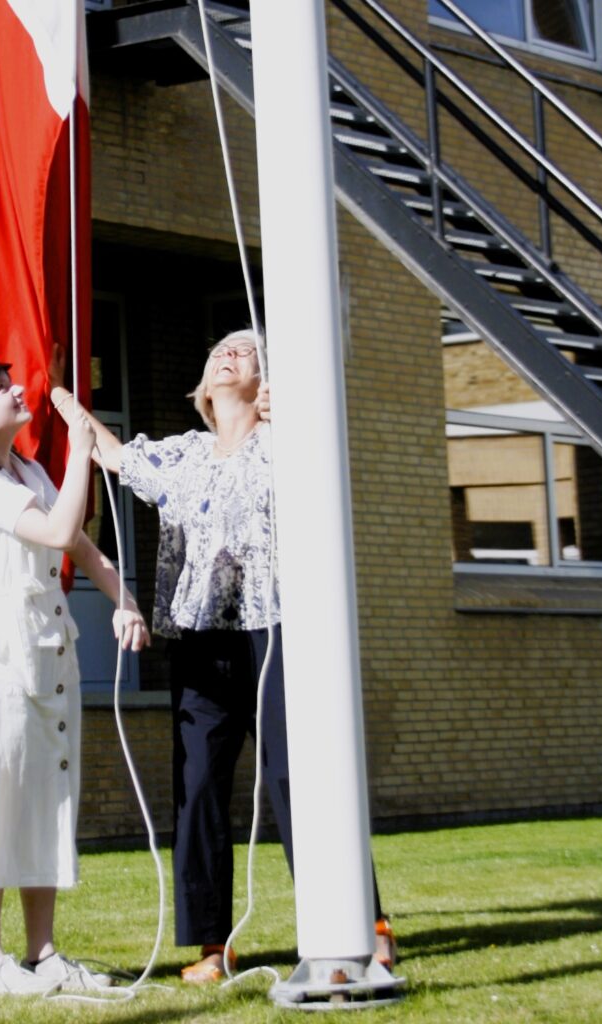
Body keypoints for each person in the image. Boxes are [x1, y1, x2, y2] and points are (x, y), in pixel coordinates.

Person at [48, 329, 396, 983]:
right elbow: (115, 457)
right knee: (198, 782)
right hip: (203, 638)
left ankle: (366, 925)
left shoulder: (283, 442)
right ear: (204, 387)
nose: (230, 353)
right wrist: (64, 396)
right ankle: (213, 946)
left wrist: (290, 413)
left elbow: (321, 466)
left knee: (299, 779)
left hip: (276, 630)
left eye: (247, 350)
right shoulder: (187, 453)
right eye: (220, 352)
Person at [0, 342, 150, 996]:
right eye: (2, 386)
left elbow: (79, 543)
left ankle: (43, 952)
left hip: (49, 640)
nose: (19, 391)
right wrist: (79, 451)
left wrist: (125, 600)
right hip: (2, 645)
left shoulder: (25, 472)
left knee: (48, 792)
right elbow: (55, 533)